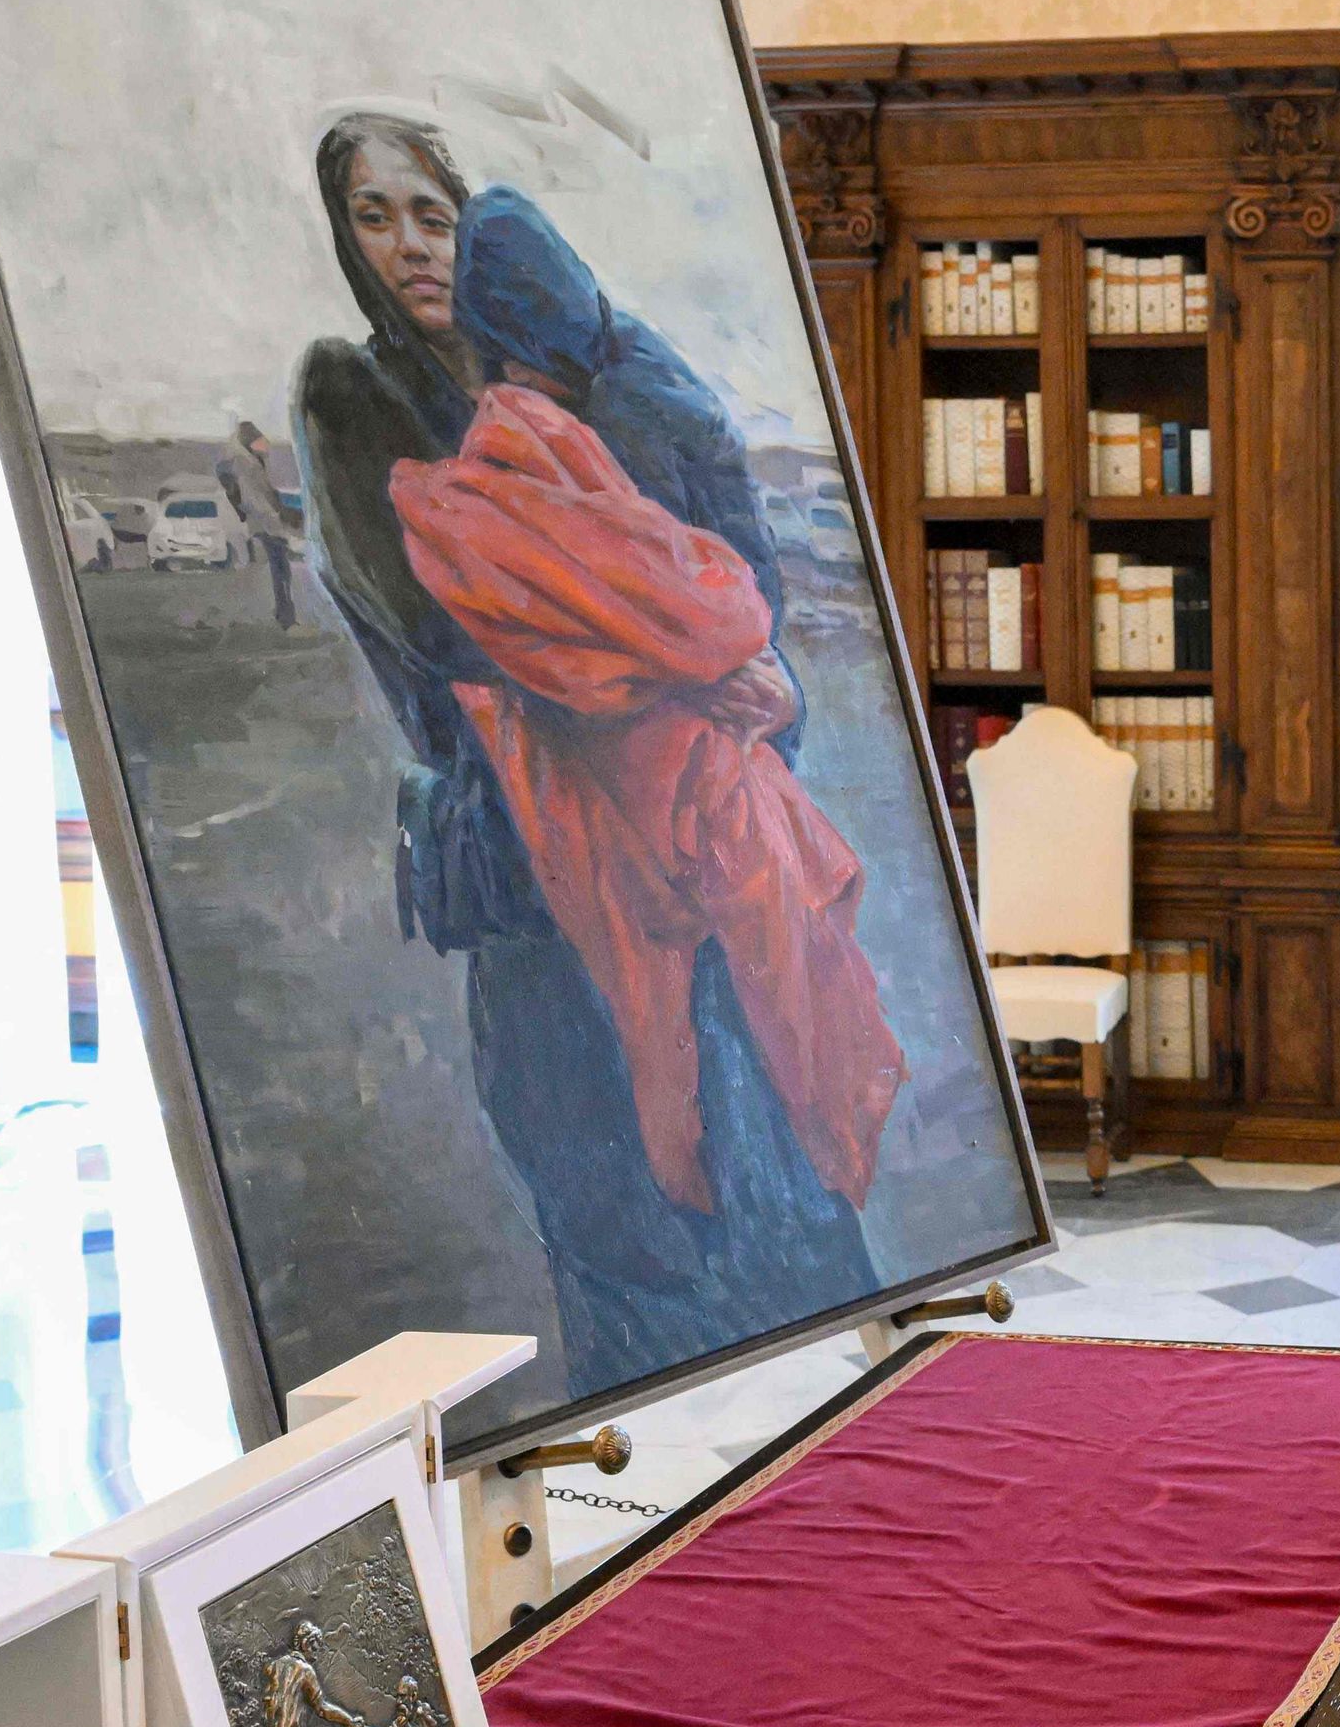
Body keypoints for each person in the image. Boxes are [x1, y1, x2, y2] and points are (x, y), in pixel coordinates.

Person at [291, 115, 880, 1397]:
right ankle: (654, 1493)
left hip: (690, 853)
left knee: (777, 1203)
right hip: (526, 867)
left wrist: (731, 683)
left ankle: (832, 1457)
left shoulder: (589, 377)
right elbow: (454, 638)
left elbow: (738, 591)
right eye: (374, 218)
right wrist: (695, 668)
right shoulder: (355, 399)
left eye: (432, 215)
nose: (410, 246)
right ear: (343, 241)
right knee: (623, 1231)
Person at [218, 418, 303, 630]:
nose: (266, 444)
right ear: (251, 442)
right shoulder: (247, 465)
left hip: (266, 523)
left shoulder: (251, 462)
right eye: (261, 440)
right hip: (267, 525)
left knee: (280, 569)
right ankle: (287, 619)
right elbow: (255, 500)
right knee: (281, 570)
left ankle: (284, 615)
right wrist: (276, 519)